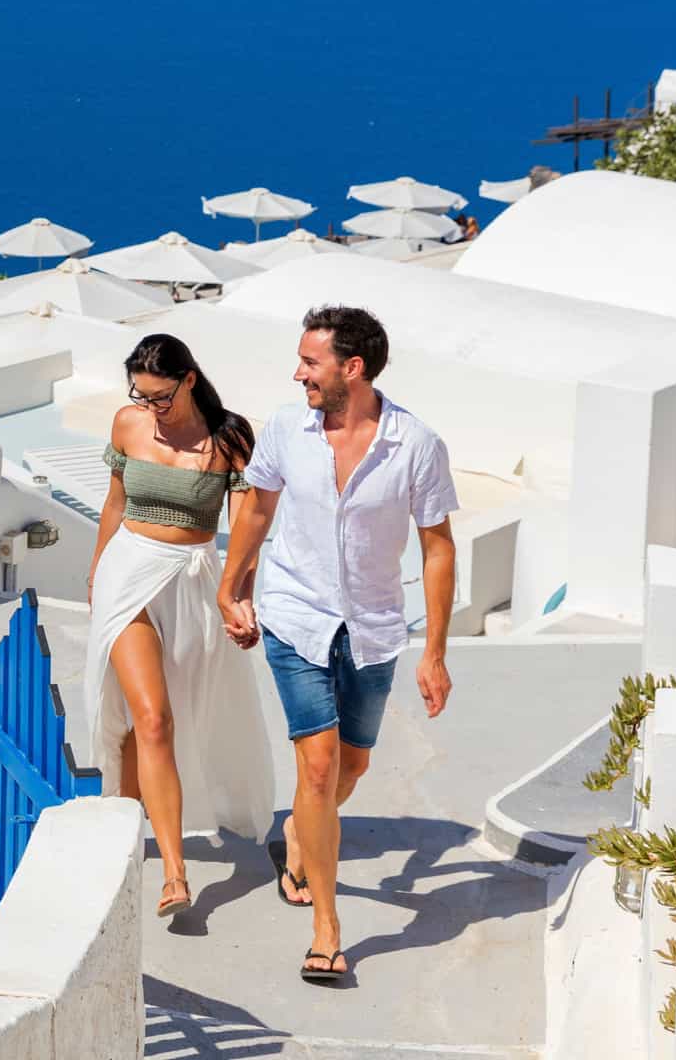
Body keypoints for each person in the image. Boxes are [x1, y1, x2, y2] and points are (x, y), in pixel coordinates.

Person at [218, 305, 458, 983]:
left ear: (352, 368)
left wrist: (435, 652)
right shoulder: (284, 430)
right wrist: (232, 587)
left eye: (311, 362)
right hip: (295, 616)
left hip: (375, 627)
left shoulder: (415, 444)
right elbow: (257, 507)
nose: (298, 373)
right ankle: (327, 929)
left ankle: (301, 832)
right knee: (317, 769)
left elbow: (437, 549)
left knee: (349, 769)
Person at [83, 334, 276, 918]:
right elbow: (115, 504)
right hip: (127, 576)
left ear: (189, 379)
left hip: (190, 580)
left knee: (181, 712)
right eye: (141, 396)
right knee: (152, 718)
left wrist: (238, 598)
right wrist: (96, 574)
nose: (151, 410)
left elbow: (246, 534)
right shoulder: (128, 424)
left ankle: (128, 815)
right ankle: (173, 871)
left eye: (161, 397)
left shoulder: (230, 437)